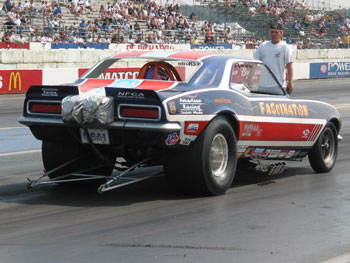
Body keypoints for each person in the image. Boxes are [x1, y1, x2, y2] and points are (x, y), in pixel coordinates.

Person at [254, 23, 294, 94]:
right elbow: (254, 64)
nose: (274, 34)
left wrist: (290, 83)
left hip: (278, 86)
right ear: (269, 33)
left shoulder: (285, 47)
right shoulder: (262, 46)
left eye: (276, 32)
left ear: (281, 33)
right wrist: (250, 80)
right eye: (272, 32)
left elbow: (289, 66)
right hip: (262, 86)